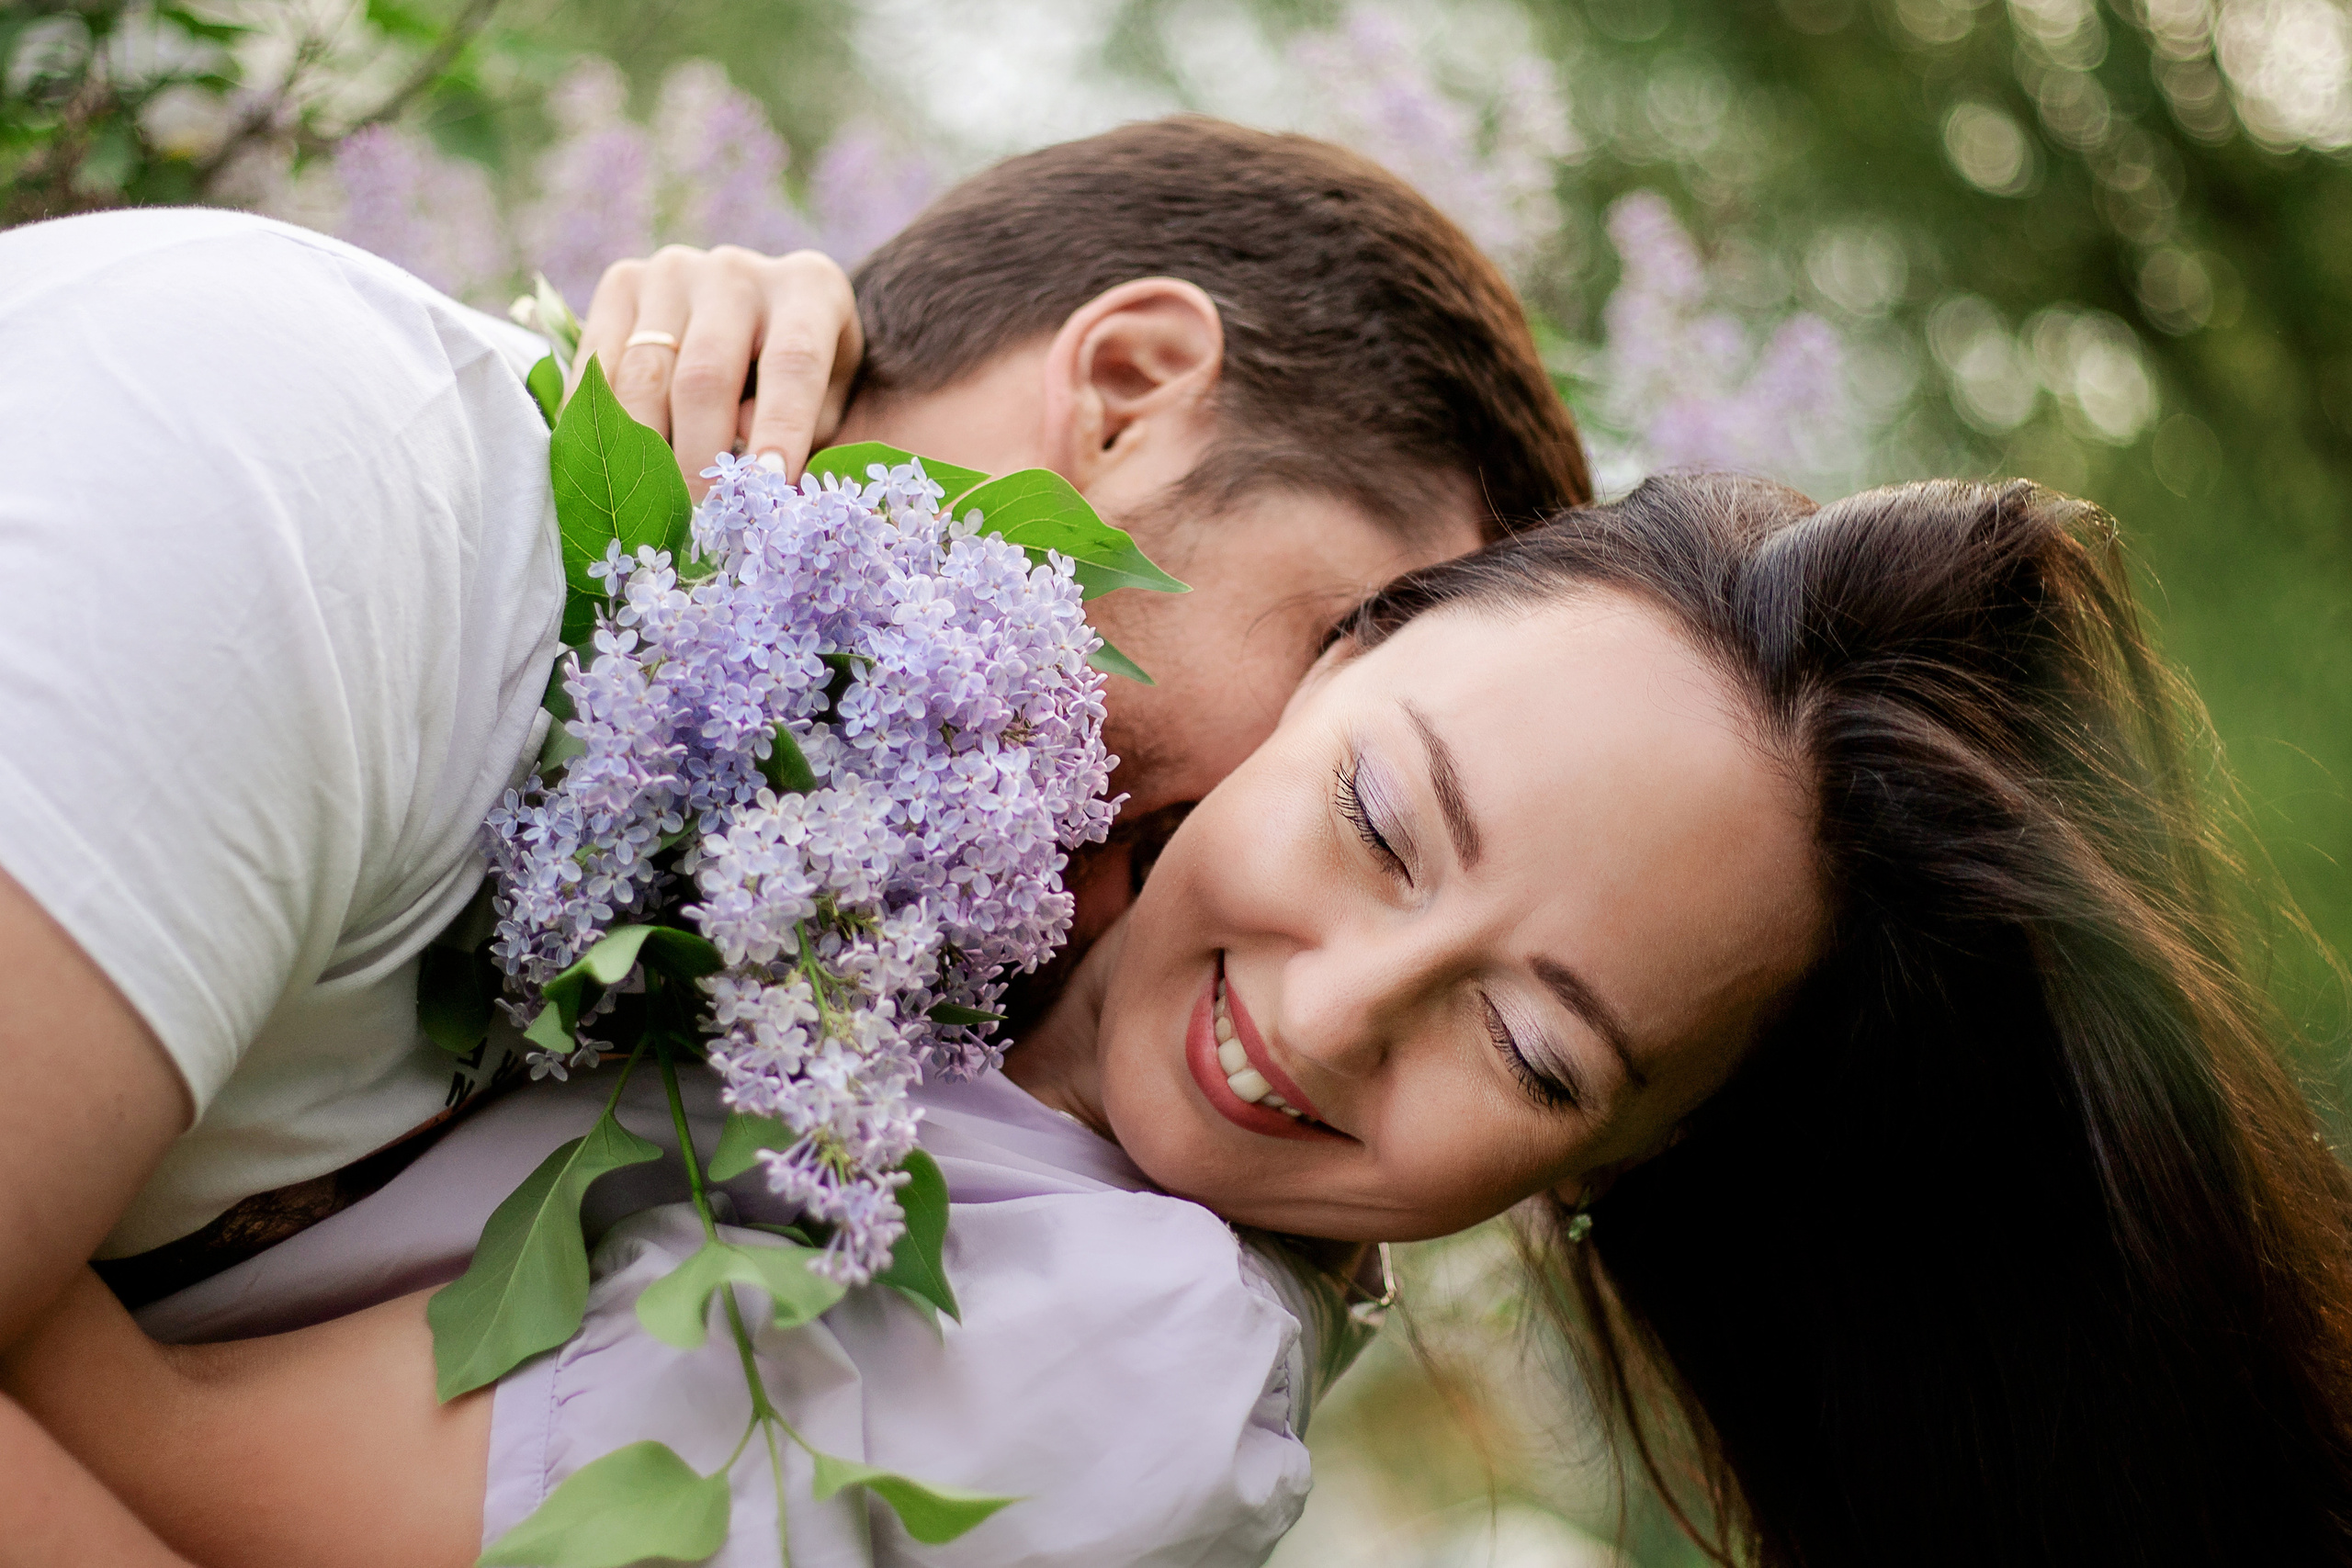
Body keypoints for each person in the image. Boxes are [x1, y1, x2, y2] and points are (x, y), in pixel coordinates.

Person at [14, 474, 2349, 1567]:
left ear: (1603, 1167)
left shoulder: (1133, 1337)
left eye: (1531, 1052)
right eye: (1376, 818)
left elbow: (217, 1474)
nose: (1327, 1012)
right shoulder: (983, 881)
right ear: (1338, 647)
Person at [0, 117, 1583, 1565]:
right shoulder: (316, 474)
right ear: (1122, 399)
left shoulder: (843, 999)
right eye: (1351, 760)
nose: (1258, 872)